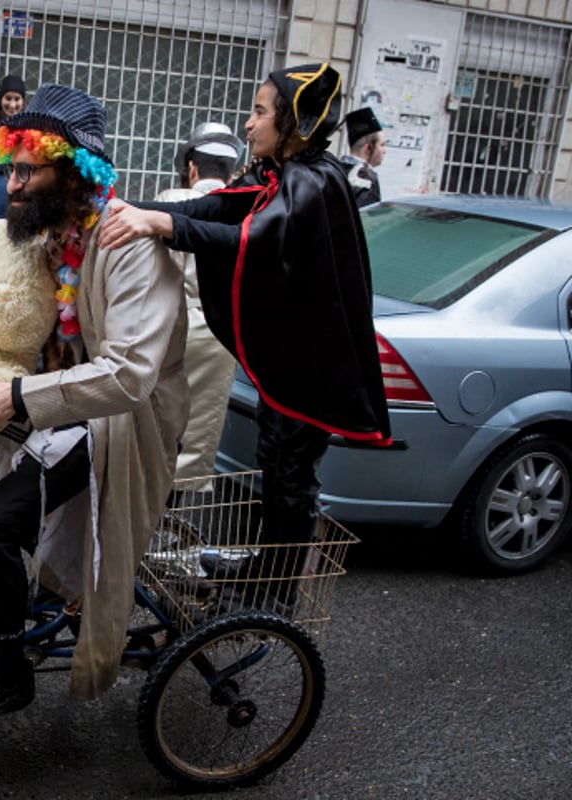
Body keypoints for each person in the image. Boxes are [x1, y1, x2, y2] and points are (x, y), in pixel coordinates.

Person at [0, 83, 189, 734]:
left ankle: (10, 675)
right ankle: (46, 593)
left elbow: (128, 378)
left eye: (26, 170)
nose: (10, 186)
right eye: (11, 167)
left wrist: (13, 394)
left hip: (122, 420)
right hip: (62, 401)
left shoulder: (127, 248)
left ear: (72, 170)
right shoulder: (55, 230)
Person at [98, 63, 392, 606]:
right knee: (276, 454)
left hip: (314, 363)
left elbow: (253, 238)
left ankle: (276, 593)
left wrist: (164, 225)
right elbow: (222, 206)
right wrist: (143, 210)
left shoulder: (313, 180)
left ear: (294, 123)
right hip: (292, 359)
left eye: (260, 112)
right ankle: (269, 565)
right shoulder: (283, 173)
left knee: (290, 472)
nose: (249, 124)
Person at [154, 122, 243, 486]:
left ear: (191, 167)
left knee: (158, 429)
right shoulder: (245, 209)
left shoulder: (170, 201)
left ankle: (145, 518)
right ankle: (173, 525)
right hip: (220, 336)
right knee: (197, 433)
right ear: (231, 172)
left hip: (170, 329)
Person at [340, 106, 385, 207]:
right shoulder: (366, 177)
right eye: (382, 145)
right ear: (368, 148)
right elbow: (367, 219)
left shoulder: (332, 167)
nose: (384, 151)